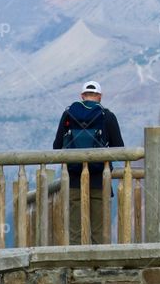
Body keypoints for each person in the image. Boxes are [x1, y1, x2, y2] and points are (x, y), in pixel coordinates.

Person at [53, 80, 124, 244]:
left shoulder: (68, 114)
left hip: (74, 177)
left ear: (82, 96)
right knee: (99, 228)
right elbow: (119, 148)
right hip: (100, 177)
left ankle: (75, 261)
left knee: (75, 227)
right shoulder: (107, 116)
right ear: (99, 97)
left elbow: (57, 146)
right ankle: (99, 263)